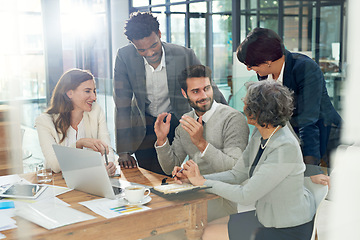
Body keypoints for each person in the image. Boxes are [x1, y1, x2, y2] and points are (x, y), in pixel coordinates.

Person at [174, 80, 316, 240]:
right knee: (204, 225)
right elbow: (237, 174)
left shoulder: (285, 147)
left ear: (259, 111)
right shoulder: (260, 133)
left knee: (208, 234)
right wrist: (195, 179)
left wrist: (202, 183)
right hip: (265, 216)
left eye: (246, 104)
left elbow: (246, 195)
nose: (243, 107)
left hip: (287, 227)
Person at [113, 11, 227, 175]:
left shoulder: (184, 55)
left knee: (166, 173)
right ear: (133, 44)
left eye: (153, 45)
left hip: (174, 122)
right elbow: (122, 104)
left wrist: (228, 118)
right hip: (142, 124)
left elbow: (208, 89)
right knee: (145, 175)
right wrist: (123, 150)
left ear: (159, 34)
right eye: (141, 50)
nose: (150, 54)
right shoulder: (124, 57)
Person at [236, 27, 341, 184]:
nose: (249, 69)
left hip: (323, 137)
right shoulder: (264, 73)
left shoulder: (305, 68)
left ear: (268, 62)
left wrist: (311, 168)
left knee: (326, 192)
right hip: (293, 140)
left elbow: (308, 122)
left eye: (251, 64)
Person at [154, 65, 249, 220]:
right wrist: (161, 139)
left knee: (166, 222)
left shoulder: (233, 119)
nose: (204, 95)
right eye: (196, 91)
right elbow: (169, 167)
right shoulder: (186, 122)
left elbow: (236, 171)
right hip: (191, 194)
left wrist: (201, 143)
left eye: (207, 88)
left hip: (220, 200)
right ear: (184, 93)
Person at [36, 68, 117, 176]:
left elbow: (107, 148)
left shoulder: (96, 111)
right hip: (59, 183)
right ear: (70, 93)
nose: (94, 97)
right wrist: (79, 144)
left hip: (91, 179)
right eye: (87, 91)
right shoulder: (45, 121)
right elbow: (55, 165)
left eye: (94, 91)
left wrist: (109, 163)